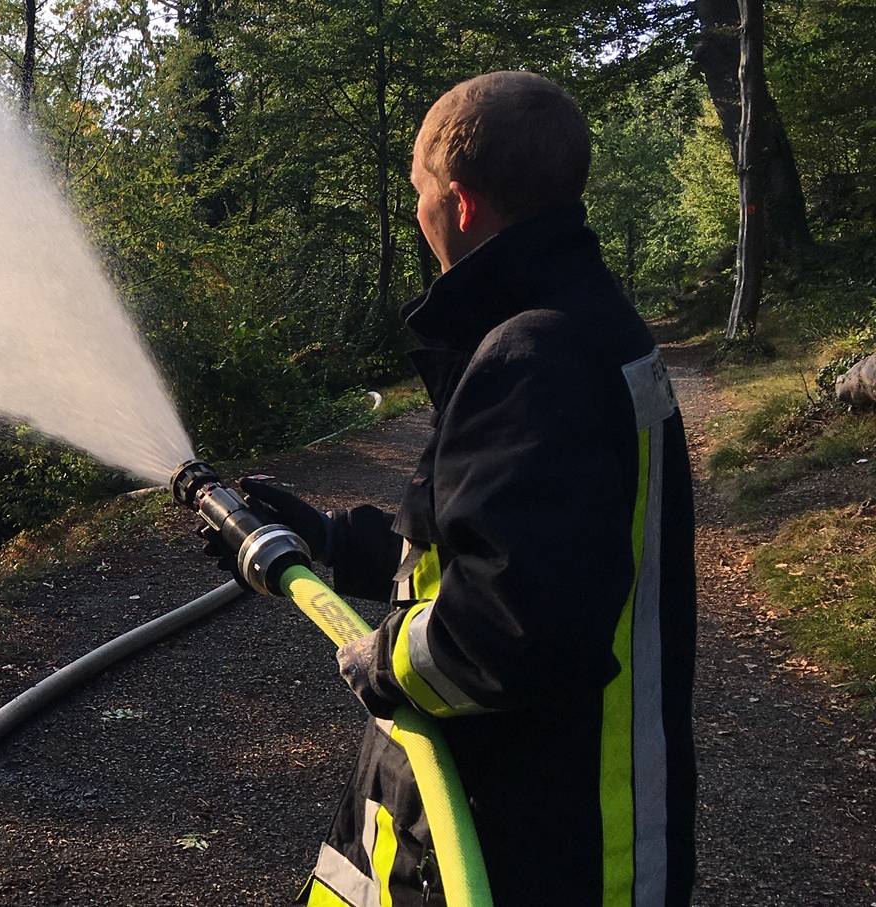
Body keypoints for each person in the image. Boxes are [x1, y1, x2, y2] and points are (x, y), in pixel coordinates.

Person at [227, 72, 696, 905]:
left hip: (536, 842)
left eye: (420, 191)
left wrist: (382, 660)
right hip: (548, 813)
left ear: (463, 204)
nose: (418, 212)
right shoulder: (584, 326)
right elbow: (510, 548)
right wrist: (333, 540)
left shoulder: (538, 359)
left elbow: (505, 632)